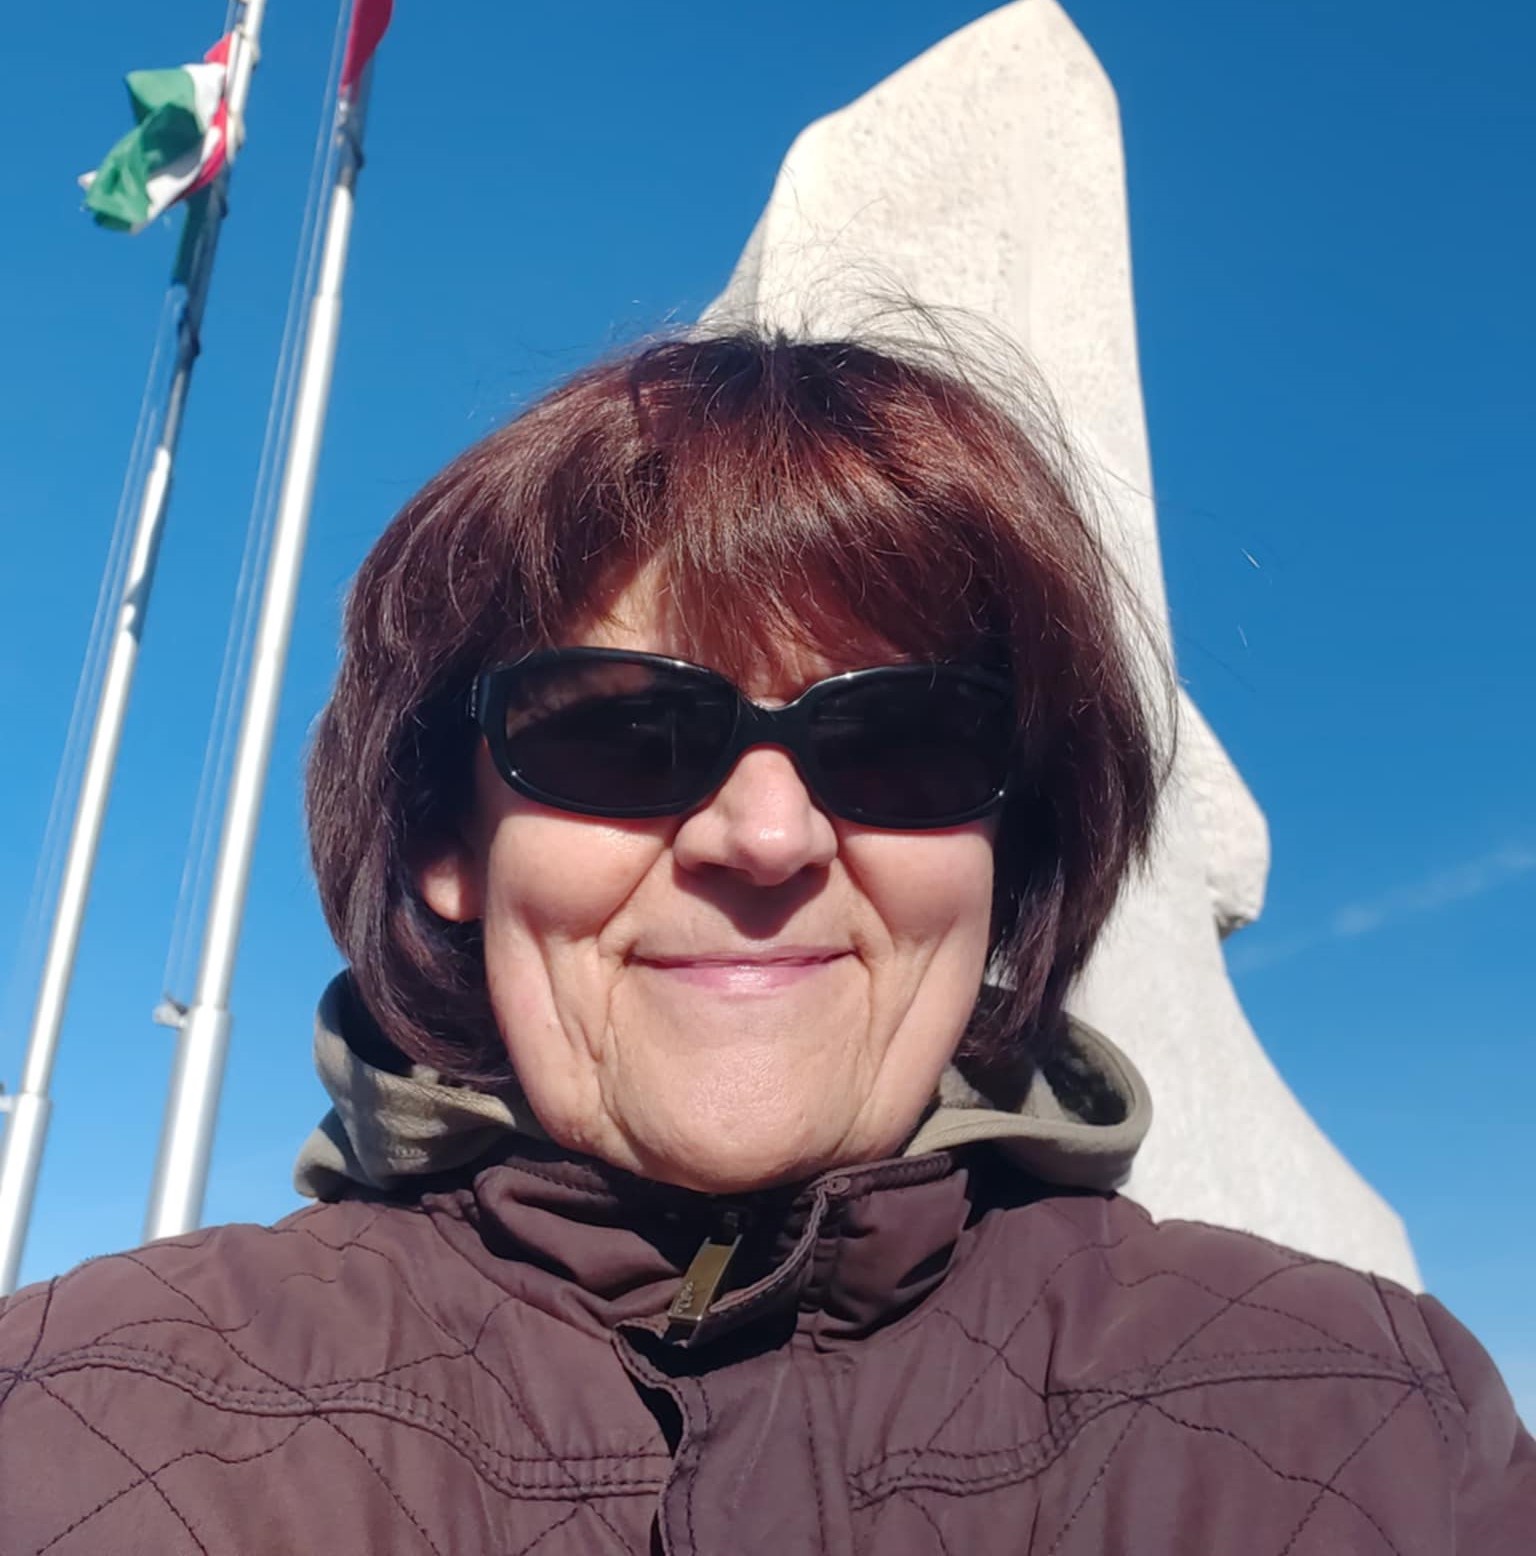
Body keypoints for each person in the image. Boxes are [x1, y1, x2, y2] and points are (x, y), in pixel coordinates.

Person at [0, 331, 1528, 1553]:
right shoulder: (77, 1421)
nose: (769, 835)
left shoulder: (1372, 1428)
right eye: (623, 733)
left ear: (1005, 856)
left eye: (906, 743)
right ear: (447, 841)